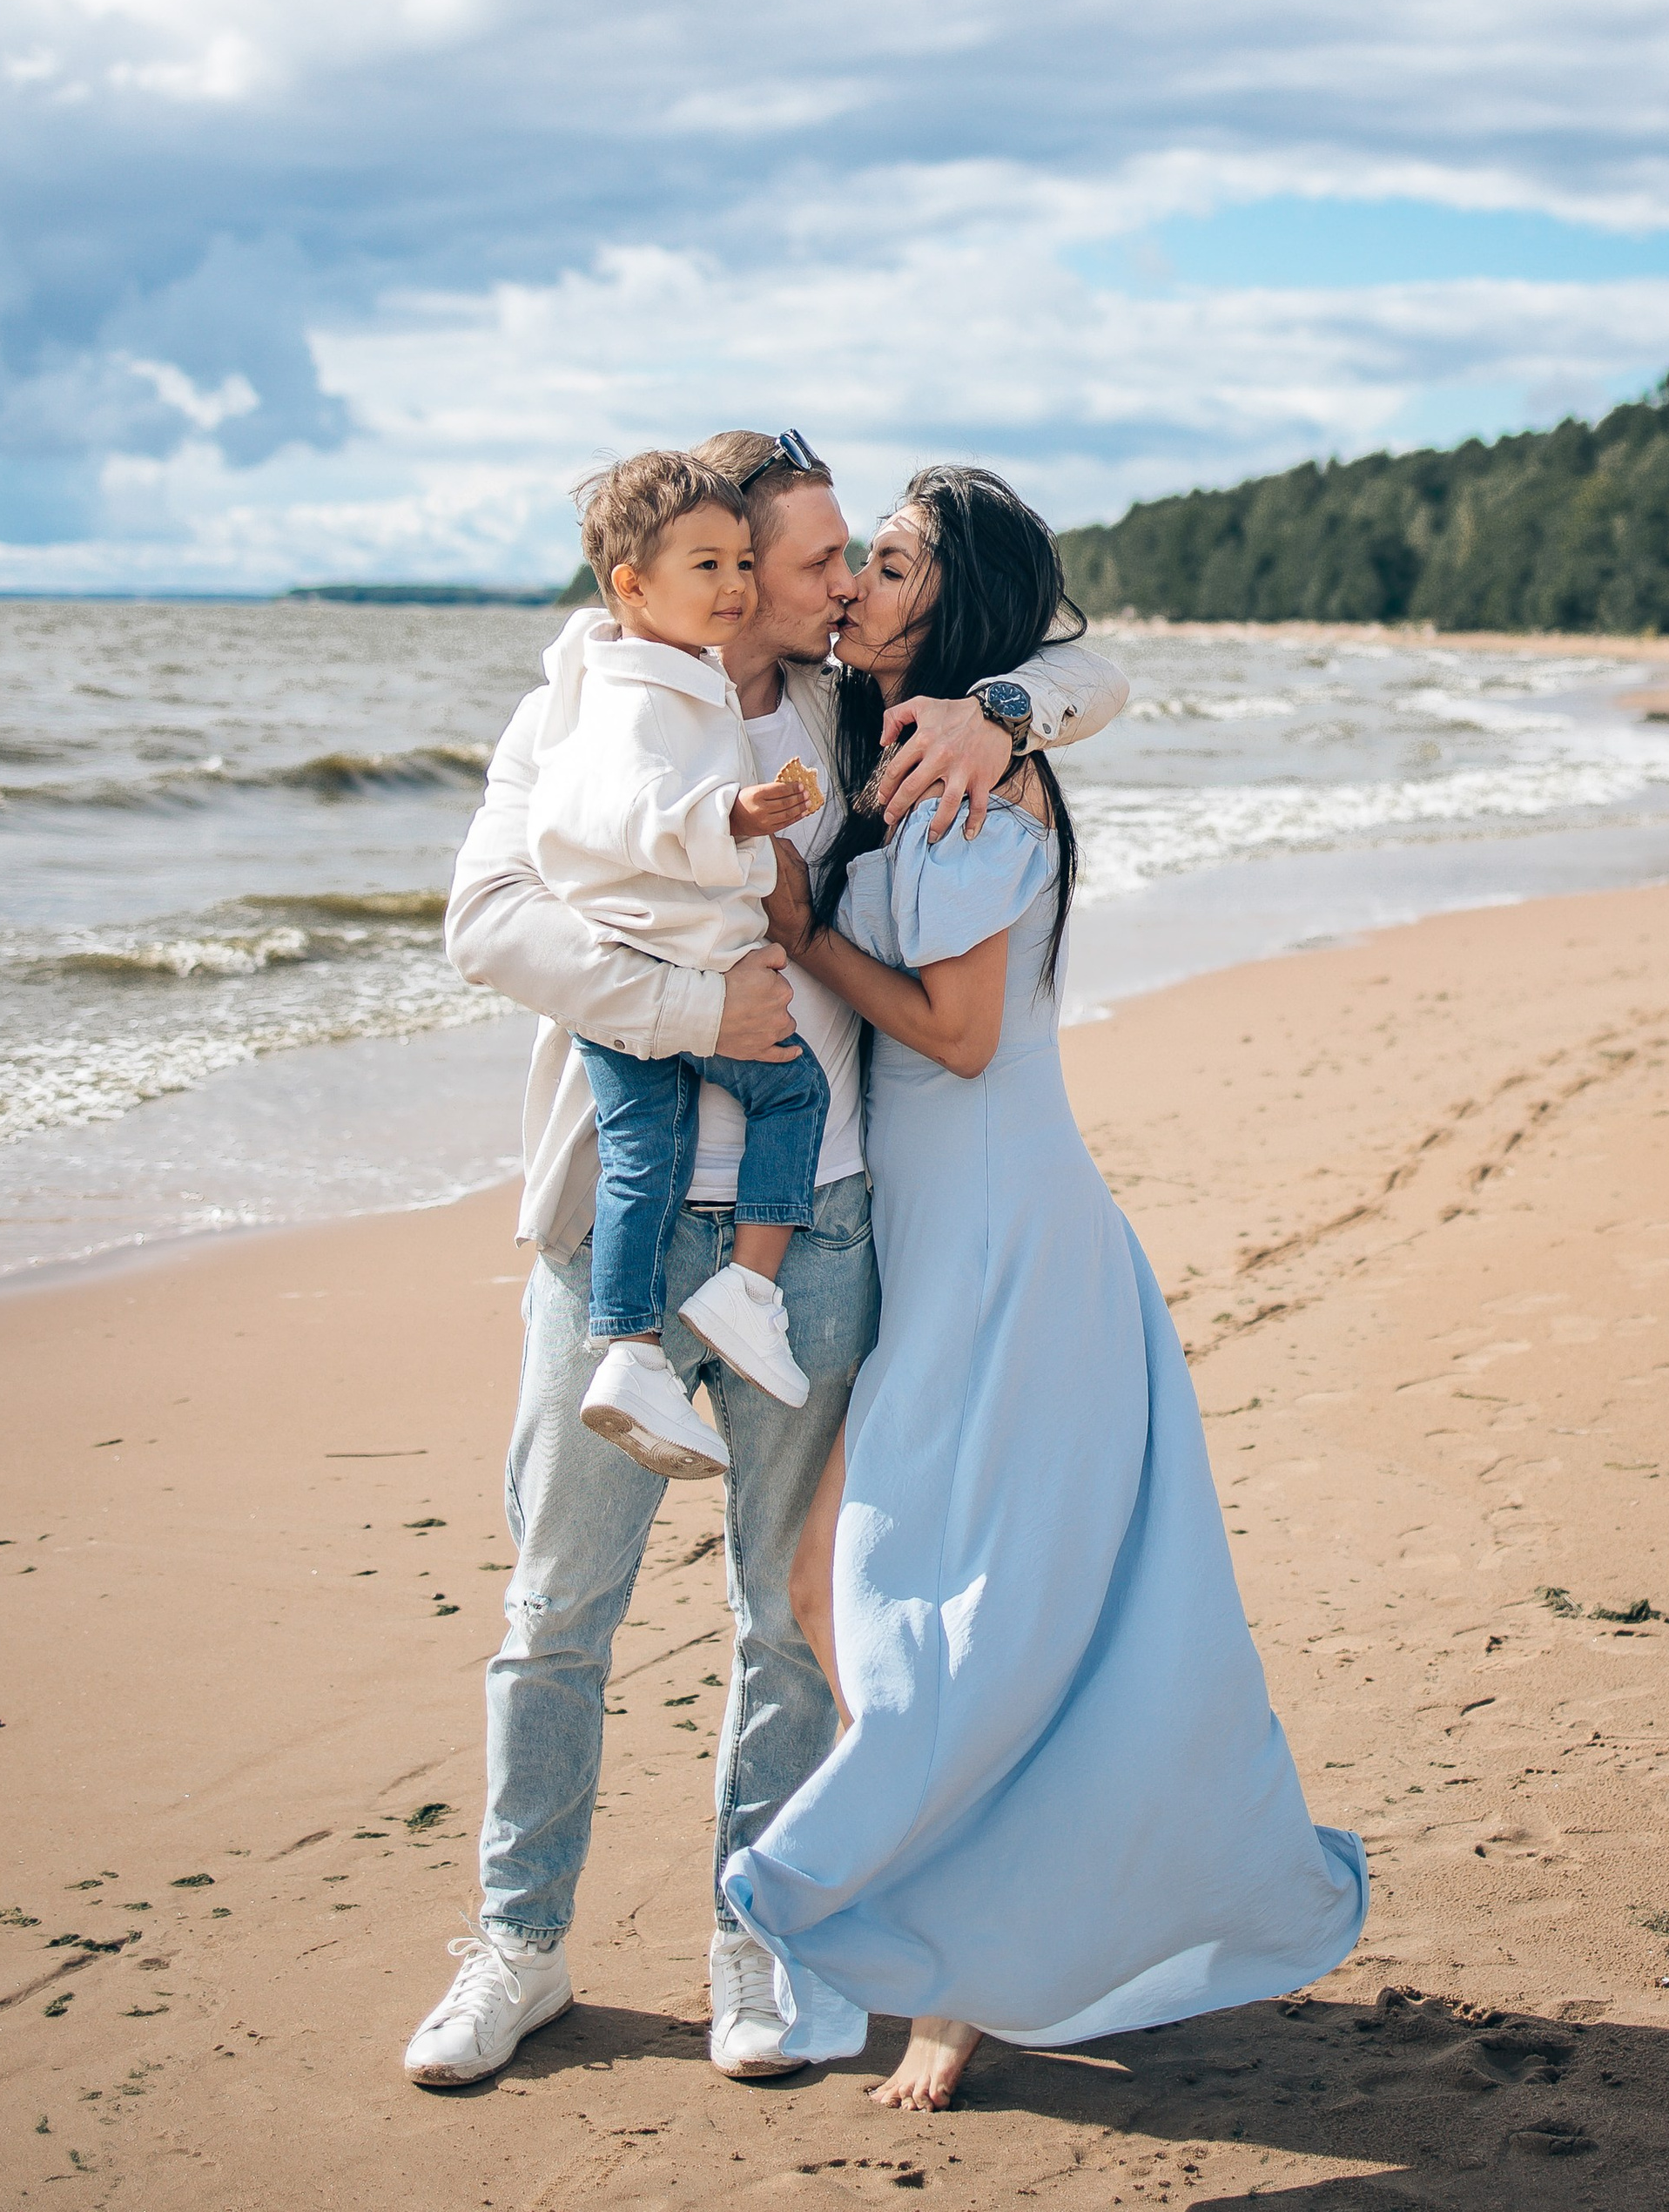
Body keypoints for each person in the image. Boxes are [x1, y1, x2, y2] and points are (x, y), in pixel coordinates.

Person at [403, 428, 1128, 2090]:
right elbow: (484, 924)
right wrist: (684, 1008)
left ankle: (760, 1935)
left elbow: (1090, 665)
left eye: (827, 565)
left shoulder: (849, 713)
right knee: (556, 1608)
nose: (823, 593)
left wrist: (1003, 705)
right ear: (702, 568)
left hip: (826, 1227)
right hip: (618, 1231)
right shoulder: (576, 711)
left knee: (788, 1625)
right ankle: (516, 1947)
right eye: (803, 563)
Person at [732, 465, 1367, 2114]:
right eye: (852, 559)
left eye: (887, 562)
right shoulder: (898, 744)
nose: (854, 583)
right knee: (862, 1601)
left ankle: (958, 1985)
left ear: (956, 605)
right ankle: (961, 1946)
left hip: (1008, 1249)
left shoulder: (969, 785)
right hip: (944, 1244)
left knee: (933, 1619)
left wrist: (801, 929)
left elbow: (954, 1032)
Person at [525, 449, 836, 1480]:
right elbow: (622, 810)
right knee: (789, 1095)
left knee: (642, 1157)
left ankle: (629, 1349)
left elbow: (1072, 672)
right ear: (632, 584)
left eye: (743, 564)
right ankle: (741, 1296)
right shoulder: (620, 690)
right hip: (662, 978)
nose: (735, 589)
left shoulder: (716, 682)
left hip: (668, 970)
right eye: (710, 566)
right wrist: (740, 820)